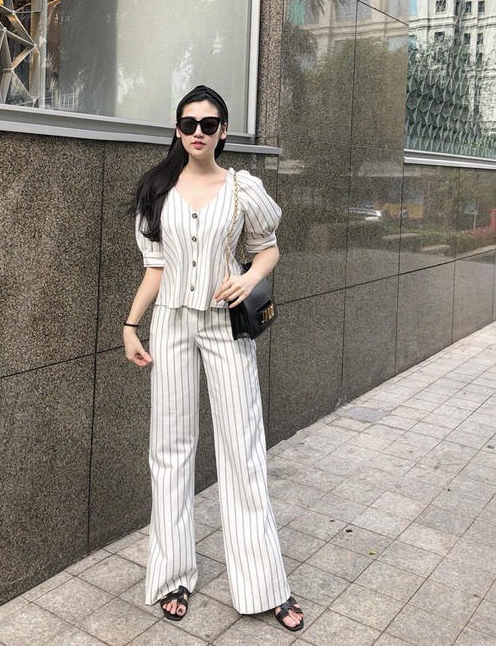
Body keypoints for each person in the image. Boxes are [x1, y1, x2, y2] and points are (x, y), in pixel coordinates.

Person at [123, 85, 304, 632]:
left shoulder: (243, 189)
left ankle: (264, 584)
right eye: (188, 124)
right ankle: (173, 575)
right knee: (170, 449)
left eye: (208, 124)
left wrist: (248, 278)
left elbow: (268, 248)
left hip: (226, 327)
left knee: (243, 449)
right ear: (177, 130)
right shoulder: (158, 191)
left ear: (223, 131)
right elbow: (155, 268)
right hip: (172, 324)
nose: (197, 132)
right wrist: (131, 325)